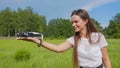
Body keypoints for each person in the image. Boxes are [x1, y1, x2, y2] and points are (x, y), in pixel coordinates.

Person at [17, 9, 111, 68]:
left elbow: (106, 59)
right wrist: (36, 41)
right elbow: (58, 49)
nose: (73, 25)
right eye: (72, 22)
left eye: (76, 22)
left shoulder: (98, 37)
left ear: (85, 21)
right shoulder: (73, 39)